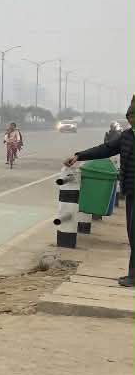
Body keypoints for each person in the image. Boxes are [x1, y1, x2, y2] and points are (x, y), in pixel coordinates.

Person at [64, 95, 135, 287]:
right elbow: (105, 149)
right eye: (130, 116)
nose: (132, 119)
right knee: (133, 234)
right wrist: (79, 156)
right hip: (131, 192)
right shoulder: (127, 136)